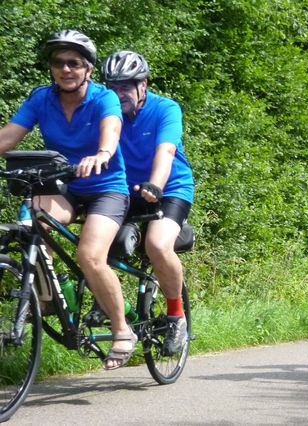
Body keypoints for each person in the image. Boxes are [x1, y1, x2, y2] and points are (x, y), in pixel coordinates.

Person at [0, 30, 134, 370]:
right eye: (58, 63)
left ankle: (122, 329)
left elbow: (111, 134)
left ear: (87, 68)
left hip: (106, 186)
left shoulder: (104, 99)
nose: (66, 69)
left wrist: (102, 154)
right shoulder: (41, 99)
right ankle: (47, 297)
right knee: (29, 225)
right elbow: (10, 136)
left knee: (89, 256)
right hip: (63, 185)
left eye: (74, 63)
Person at [102, 50, 195, 355]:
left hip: (169, 189)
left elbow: (165, 152)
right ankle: (117, 308)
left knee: (156, 245)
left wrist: (155, 183)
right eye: (113, 87)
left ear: (143, 85)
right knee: (95, 246)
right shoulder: (105, 111)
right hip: (124, 190)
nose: (119, 94)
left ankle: (175, 316)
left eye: (126, 86)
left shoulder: (165, 109)